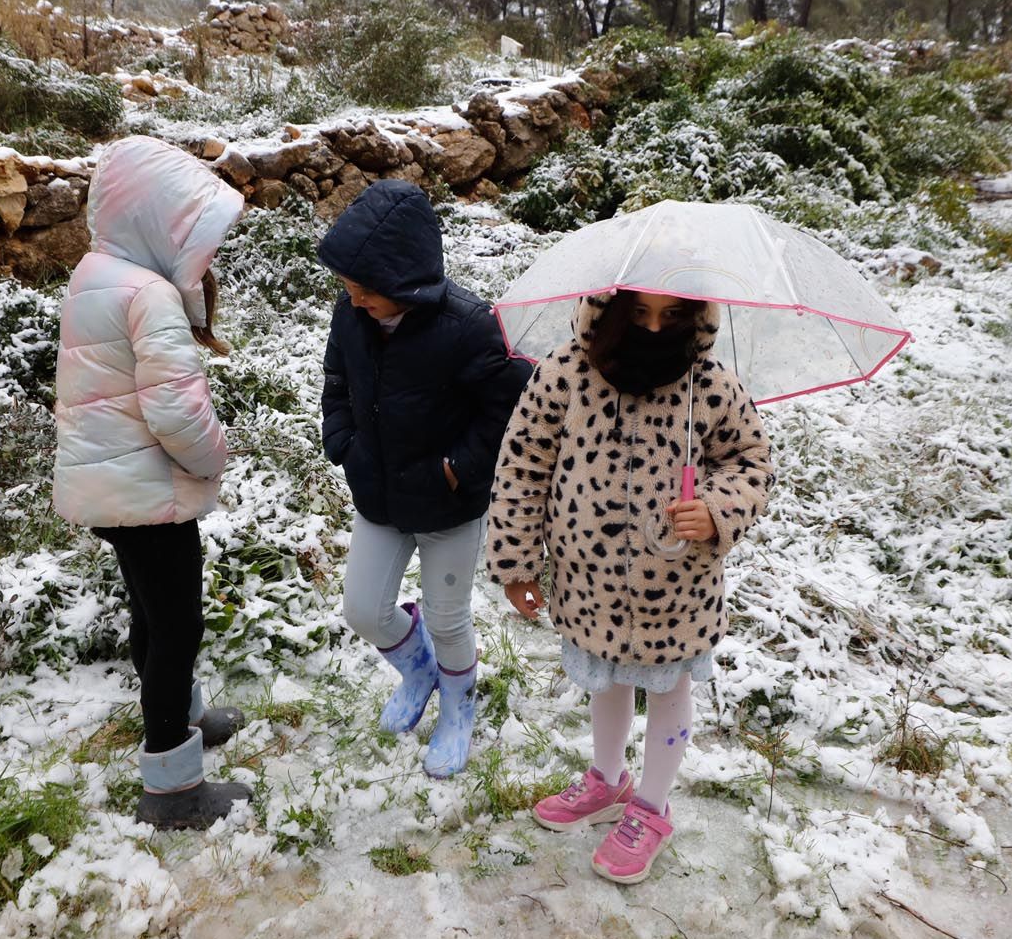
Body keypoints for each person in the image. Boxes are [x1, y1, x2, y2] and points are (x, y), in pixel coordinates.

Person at [487, 288, 773, 883]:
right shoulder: (565, 373)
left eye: (670, 316)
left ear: (694, 318)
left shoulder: (710, 383)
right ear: (609, 312)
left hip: (677, 587)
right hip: (585, 579)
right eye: (637, 313)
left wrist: (718, 509)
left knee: (669, 689)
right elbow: (522, 465)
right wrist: (516, 563)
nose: (652, 328)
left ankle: (651, 805)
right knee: (605, 679)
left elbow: (751, 462)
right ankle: (608, 779)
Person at [54, 135, 249, 830]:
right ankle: (172, 781)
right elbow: (176, 409)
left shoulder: (97, 273)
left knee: (150, 612)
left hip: (113, 487)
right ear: (160, 222)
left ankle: (182, 713)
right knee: (177, 623)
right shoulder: (150, 295)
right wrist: (214, 455)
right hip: (148, 491)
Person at [318, 180, 530, 777]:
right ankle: (420, 670)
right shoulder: (351, 316)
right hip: (379, 496)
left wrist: (457, 468)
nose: (354, 301)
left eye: (366, 292)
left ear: (405, 282)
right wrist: (344, 443)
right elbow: (336, 382)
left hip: (448, 506)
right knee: (363, 608)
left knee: (447, 617)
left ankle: (459, 702)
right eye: (349, 290)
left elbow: (508, 409)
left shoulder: (470, 325)